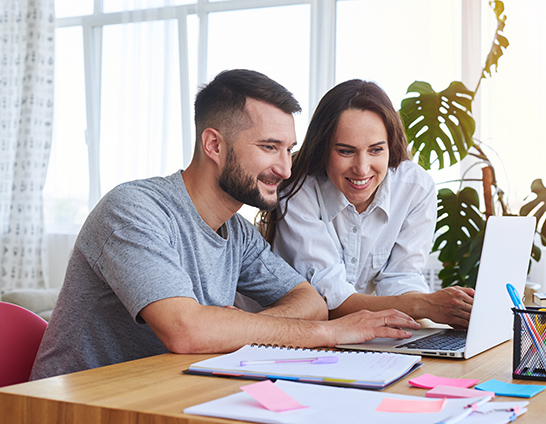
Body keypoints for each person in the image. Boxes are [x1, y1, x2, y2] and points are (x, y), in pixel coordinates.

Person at [30, 70, 420, 380]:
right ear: (214, 145)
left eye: (289, 150)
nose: (285, 169)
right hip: (72, 406)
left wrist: (232, 328)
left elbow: (312, 304)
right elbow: (187, 330)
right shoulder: (133, 210)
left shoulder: (238, 234)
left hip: (164, 395)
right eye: (269, 147)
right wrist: (332, 334)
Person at [259, 79, 474, 328]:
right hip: (289, 332)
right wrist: (426, 305)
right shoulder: (298, 189)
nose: (362, 169)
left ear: (390, 146)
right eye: (345, 151)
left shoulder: (415, 187)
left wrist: (446, 314)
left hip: (354, 335)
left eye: (375, 150)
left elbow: (402, 279)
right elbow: (333, 300)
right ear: (323, 149)